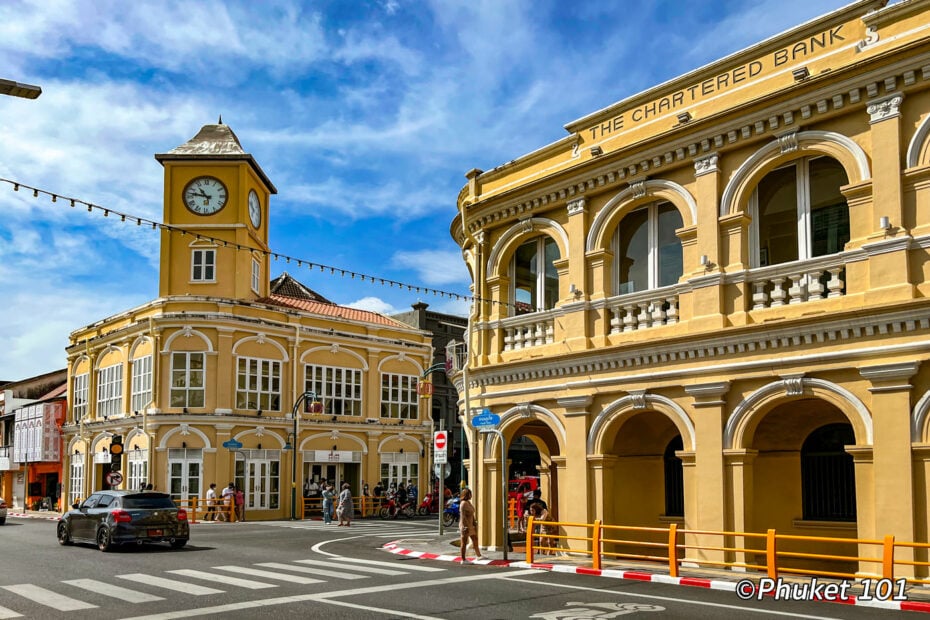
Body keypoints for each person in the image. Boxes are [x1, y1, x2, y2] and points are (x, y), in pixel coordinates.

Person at [458, 488, 482, 562]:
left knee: (475, 539)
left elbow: (471, 513)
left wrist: (474, 522)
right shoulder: (463, 504)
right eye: (470, 494)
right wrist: (466, 526)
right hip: (465, 526)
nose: (471, 495)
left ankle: (479, 556)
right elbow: (463, 516)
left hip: (471, 525)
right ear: (466, 495)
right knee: (464, 542)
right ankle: (463, 559)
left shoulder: (468, 502)